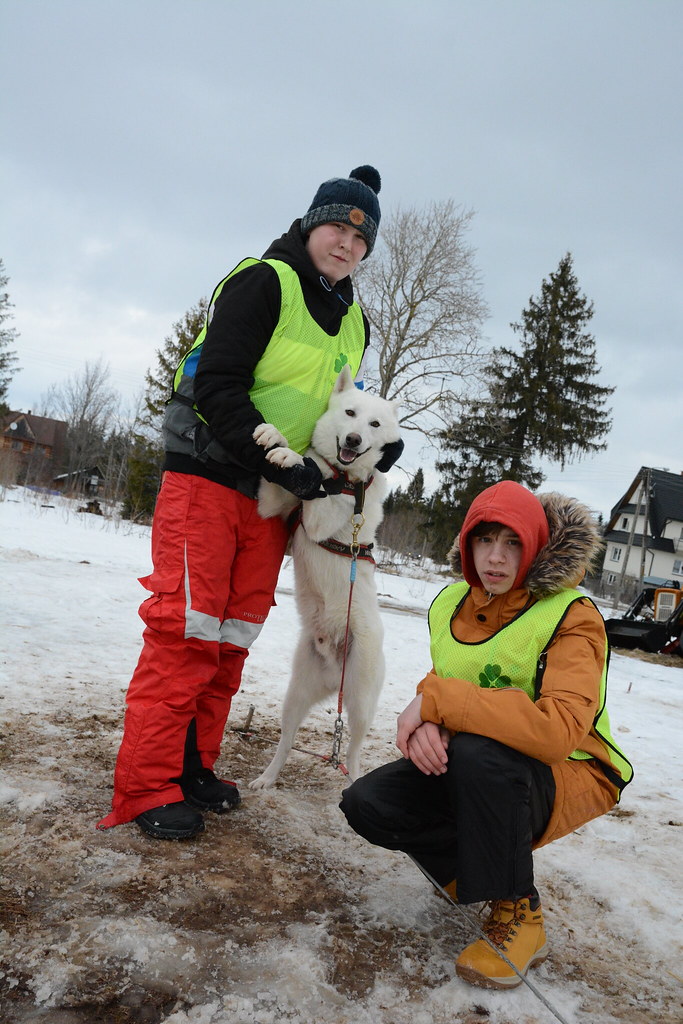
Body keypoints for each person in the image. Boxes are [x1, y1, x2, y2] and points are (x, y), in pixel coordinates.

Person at [98, 165, 402, 840]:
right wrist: (277, 460)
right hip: (210, 479)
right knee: (186, 632)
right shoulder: (265, 281)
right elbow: (218, 385)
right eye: (336, 226)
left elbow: (342, 416)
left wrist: (373, 452)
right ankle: (145, 787)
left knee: (231, 639)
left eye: (361, 238)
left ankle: (192, 766)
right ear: (311, 222)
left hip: (273, 500)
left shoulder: (355, 321)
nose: (346, 244)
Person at [340, 480, 633, 990]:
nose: (495, 558)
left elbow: (557, 732)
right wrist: (429, 723)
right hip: (486, 763)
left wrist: (440, 705)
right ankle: (466, 871)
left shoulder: (572, 615)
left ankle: (520, 912)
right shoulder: (450, 602)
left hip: (574, 768)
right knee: (369, 801)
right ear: (467, 541)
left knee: (479, 754)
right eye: (484, 539)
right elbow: (450, 680)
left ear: (535, 545)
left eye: (512, 542)